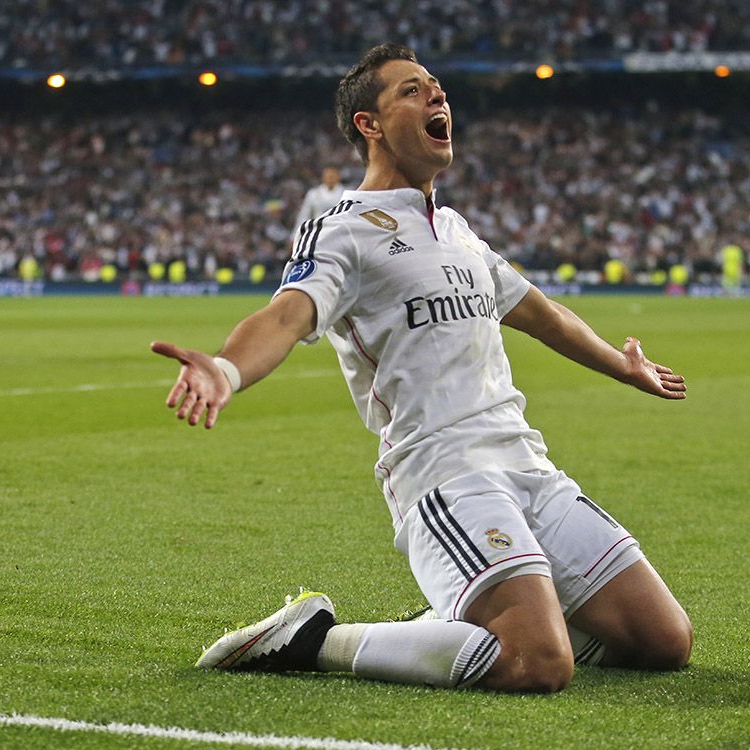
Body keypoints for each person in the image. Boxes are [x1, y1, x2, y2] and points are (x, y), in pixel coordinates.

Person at [152, 44, 692, 693]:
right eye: (412, 90)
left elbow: (544, 315)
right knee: (537, 664)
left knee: (663, 641)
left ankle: (453, 629)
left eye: (437, 87)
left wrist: (623, 368)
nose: (437, 96)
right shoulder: (342, 230)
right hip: (445, 476)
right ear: (369, 124)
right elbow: (286, 316)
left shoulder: (458, 231)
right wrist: (225, 370)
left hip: (527, 466)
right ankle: (311, 640)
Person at [289, 166, 344, 245]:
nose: (330, 178)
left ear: (338, 177)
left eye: (333, 176)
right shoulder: (313, 194)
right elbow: (304, 216)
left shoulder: (346, 193)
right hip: (317, 235)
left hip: (340, 235)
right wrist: (295, 236)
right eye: (328, 176)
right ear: (323, 177)